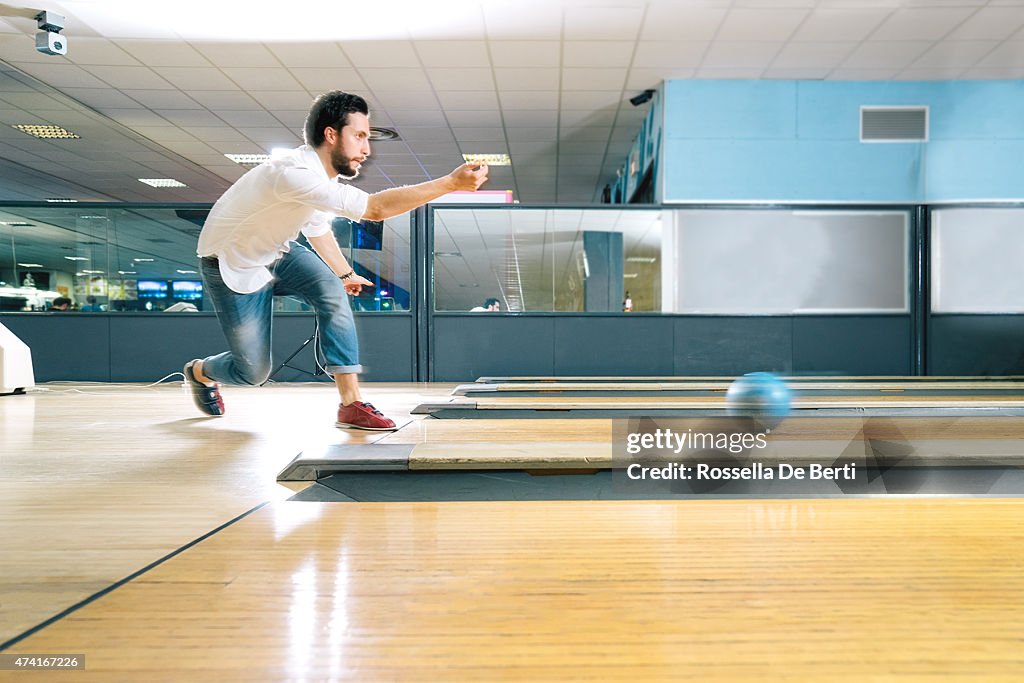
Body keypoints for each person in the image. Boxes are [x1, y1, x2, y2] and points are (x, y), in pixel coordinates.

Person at [184, 90, 488, 430]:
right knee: (253, 372)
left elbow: (317, 230)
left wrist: (344, 274)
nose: (366, 149)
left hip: (279, 250)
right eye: (359, 136)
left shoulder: (317, 179)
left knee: (331, 290)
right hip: (230, 263)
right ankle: (199, 371)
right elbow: (376, 209)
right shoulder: (291, 173)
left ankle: (351, 404)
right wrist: (450, 183)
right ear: (331, 135)